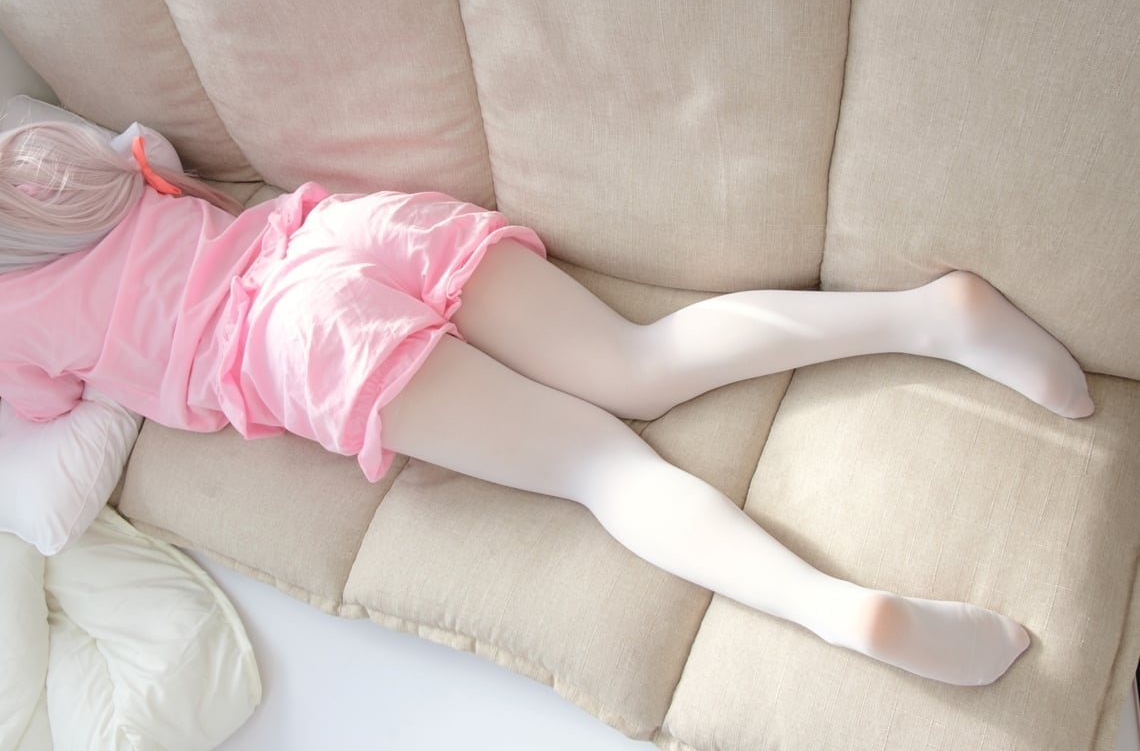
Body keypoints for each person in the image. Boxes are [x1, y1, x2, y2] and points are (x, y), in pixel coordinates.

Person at [0, 120, 1095, 687]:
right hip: (335, 231)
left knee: (600, 466)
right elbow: (156, 162)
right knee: (640, 361)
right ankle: (930, 315)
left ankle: (834, 609)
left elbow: (47, 411)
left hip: (296, 339)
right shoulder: (51, 156)